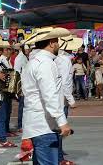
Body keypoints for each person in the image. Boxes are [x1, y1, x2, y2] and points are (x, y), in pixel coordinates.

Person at [21, 27, 72, 165]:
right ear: (51, 43)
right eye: (57, 41)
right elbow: (50, 95)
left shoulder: (35, 61)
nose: (58, 45)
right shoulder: (45, 63)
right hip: (44, 126)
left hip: (37, 123)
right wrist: (62, 121)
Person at [55, 35, 82, 165]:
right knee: (60, 128)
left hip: (58, 97)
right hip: (61, 99)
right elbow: (65, 82)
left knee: (56, 128)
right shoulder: (64, 60)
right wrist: (71, 100)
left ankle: (58, 152)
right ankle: (59, 157)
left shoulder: (58, 58)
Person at [14, 41, 31, 133]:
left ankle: (23, 124)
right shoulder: (20, 58)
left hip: (26, 84)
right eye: (27, 49)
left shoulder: (25, 57)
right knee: (22, 106)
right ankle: (20, 124)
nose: (28, 50)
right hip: (22, 85)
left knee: (25, 106)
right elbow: (16, 72)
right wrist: (18, 87)